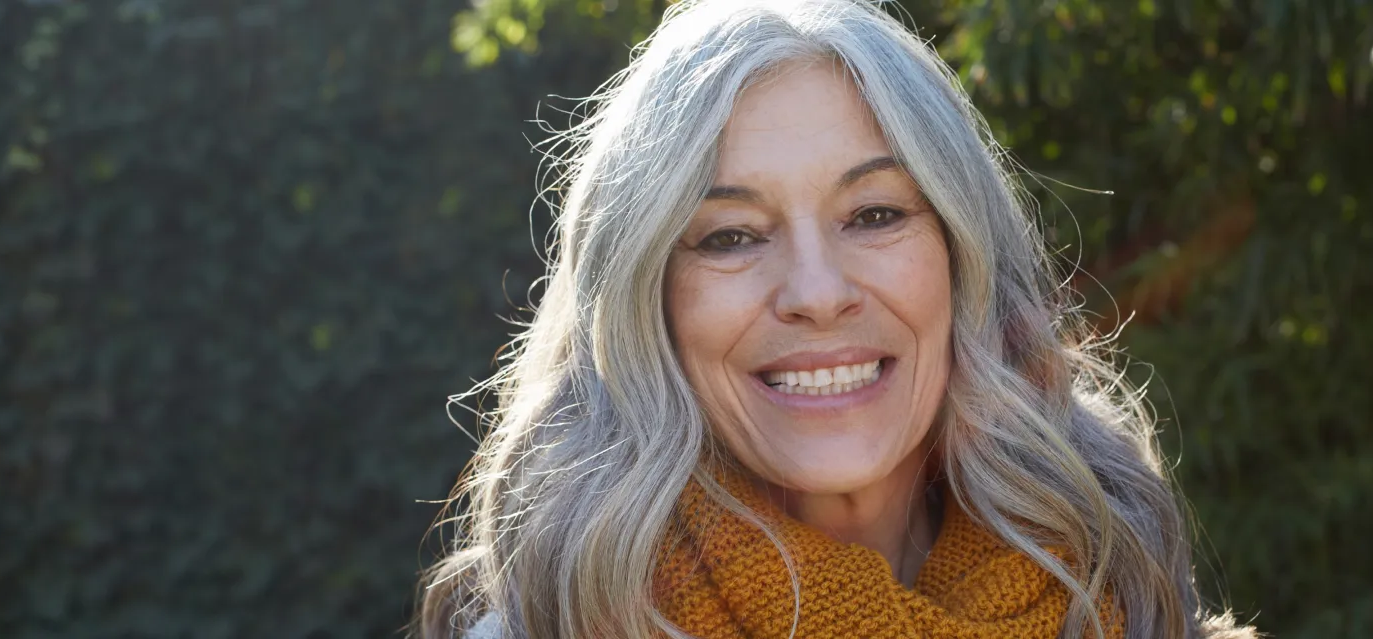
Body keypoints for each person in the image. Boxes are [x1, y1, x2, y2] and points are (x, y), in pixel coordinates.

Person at [419, 0, 1258, 637]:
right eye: (733, 235)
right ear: (648, 302)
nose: (817, 292)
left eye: (875, 215)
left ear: (963, 256)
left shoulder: (1130, 595)